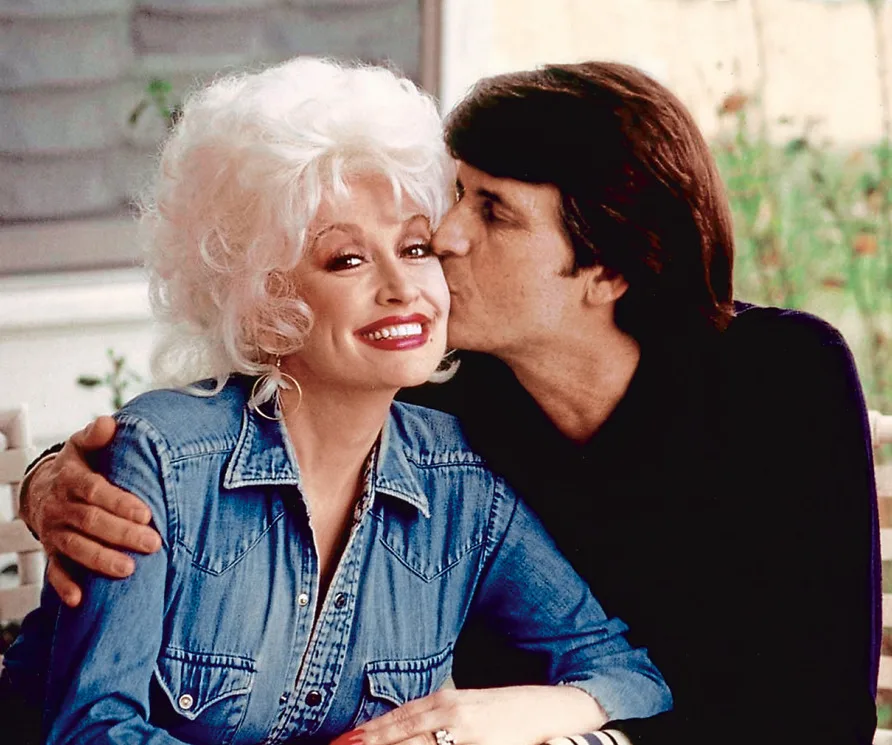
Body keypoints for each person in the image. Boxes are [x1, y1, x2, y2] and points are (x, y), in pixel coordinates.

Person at [15, 61, 879, 745]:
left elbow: (802, 714)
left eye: (491, 211)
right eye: (453, 198)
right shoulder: (450, 394)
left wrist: (529, 714)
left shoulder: (773, 381)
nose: (444, 242)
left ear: (608, 269)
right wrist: (54, 482)